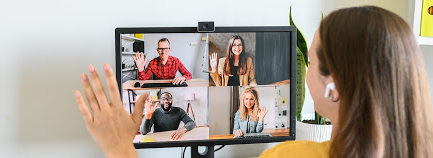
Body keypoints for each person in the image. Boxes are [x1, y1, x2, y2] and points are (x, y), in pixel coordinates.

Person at [75, 6, 433, 158]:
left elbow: (187, 92)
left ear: (332, 86)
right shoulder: (152, 64)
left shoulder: (292, 154)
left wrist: (122, 148)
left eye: (313, 60)